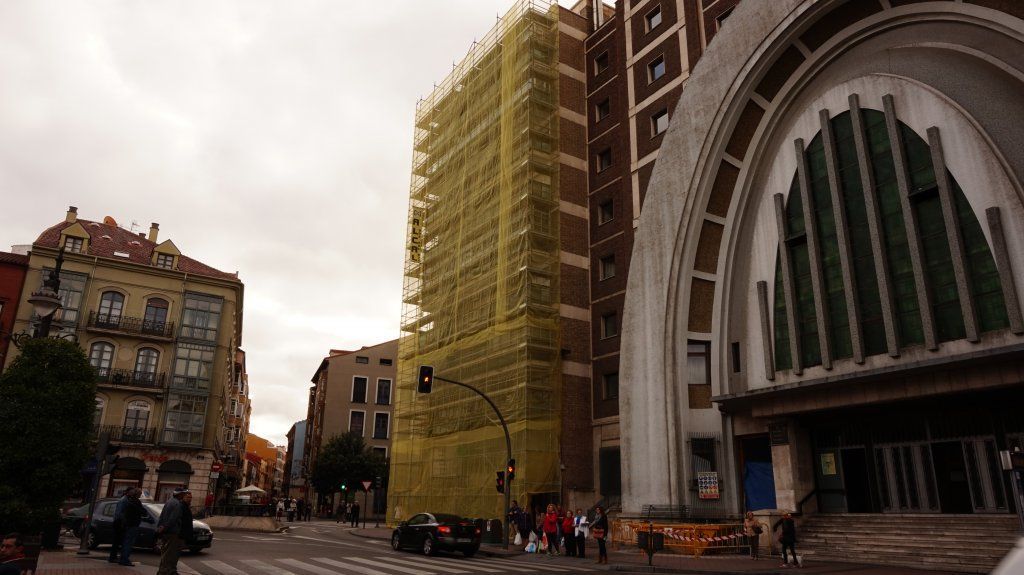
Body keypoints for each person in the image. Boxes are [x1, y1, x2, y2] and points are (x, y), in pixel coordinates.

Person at [156, 487, 192, 575]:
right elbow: (173, 519)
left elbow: (162, 516)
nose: (184, 495)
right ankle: (167, 571)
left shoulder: (169, 501)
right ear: (179, 494)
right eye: (184, 494)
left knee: (167, 553)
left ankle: (165, 571)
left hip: (168, 532)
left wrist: (161, 527)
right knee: (171, 554)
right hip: (173, 532)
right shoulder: (177, 504)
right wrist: (165, 527)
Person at [119, 488, 145, 566]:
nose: (140, 495)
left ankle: (123, 558)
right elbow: (142, 511)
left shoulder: (130, 501)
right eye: (140, 494)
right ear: (137, 494)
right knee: (129, 542)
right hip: (133, 524)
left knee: (126, 542)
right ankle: (125, 559)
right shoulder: (136, 502)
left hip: (129, 524)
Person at [108, 490, 129, 563]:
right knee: (116, 541)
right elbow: (119, 513)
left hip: (119, 522)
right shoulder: (123, 500)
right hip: (119, 523)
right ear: (127, 492)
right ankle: (112, 557)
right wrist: (121, 523)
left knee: (117, 541)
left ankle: (114, 556)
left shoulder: (125, 500)